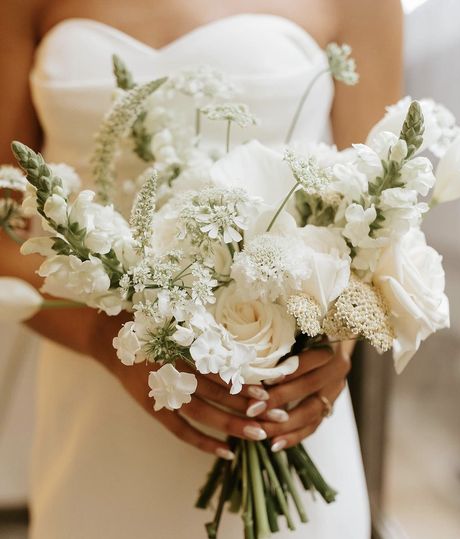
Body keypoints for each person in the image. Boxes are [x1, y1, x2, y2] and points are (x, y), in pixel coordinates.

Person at [0, 1, 402, 537]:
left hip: (279, 404)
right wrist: (107, 341)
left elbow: (382, 214)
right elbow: (5, 230)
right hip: (96, 415)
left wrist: (327, 351)